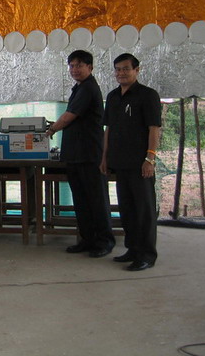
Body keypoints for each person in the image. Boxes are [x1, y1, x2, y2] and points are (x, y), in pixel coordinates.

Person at [46, 50, 115, 258]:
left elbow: (69, 116)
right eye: (72, 65)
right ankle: (87, 240)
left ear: (90, 67)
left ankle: (104, 241)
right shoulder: (79, 88)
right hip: (75, 154)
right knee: (81, 200)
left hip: (90, 154)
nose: (74, 69)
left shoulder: (88, 88)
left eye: (79, 65)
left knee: (96, 199)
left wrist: (52, 129)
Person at [101, 53, 161, 271]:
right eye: (118, 69)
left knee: (144, 210)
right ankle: (133, 249)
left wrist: (150, 158)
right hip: (120, 162)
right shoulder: (113, 96)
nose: (121, 73)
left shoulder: (147, 95)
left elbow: (154, 128)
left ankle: (147, 255)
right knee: (127, 209)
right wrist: (104, 157)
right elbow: (108, 129)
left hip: (140, 163)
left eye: (126, 69)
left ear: (137, 70)